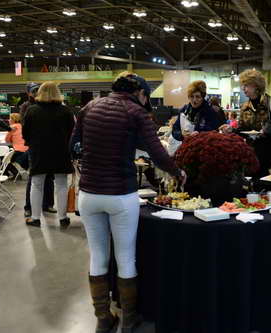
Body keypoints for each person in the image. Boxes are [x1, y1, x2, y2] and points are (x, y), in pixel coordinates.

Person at [71, 72, 186, 333]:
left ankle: (103, 318)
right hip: (120, 194)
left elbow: (73, 145)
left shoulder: (89, 107)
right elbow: (158, 153)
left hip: (88, 194)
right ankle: (129, 320)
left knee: (98, 256)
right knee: (125, 257)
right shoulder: (137, 112)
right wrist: (178, 172)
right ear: (141, 93)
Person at [22, 81, 75, 228]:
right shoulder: (66, 111)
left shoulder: (32, 110)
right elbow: (72, 132)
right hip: (61, 152)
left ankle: (35, 218)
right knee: (61, 185)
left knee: (36, 184)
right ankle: (63, 218)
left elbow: (25, 133)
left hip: (39, 152)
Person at [20, 82, 56, 218]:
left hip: (49, 147)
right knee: (33, 178)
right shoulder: (26, 106)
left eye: (38, 90)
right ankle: (28, 207)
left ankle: (48, 205)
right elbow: (25, 127)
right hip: (35, 147)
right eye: (33, 90)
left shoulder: (49, 104)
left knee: (49, 178)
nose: (36, 93)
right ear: (28, 92)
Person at [219, 69, 271, 134]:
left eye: (246, 85)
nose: (243, 88)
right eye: (242, 85)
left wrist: (268, 130)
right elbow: (241, 130)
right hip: (249, 144)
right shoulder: (244, 107)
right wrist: (231, 129)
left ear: (256, 85)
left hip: (270, 144)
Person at [168, 80, 219, 155]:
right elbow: (175, 129)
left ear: (203, 97)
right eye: (192, 97)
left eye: (197, 97)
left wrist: (199, 134)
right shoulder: (184, 110)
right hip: (185, 149)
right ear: (188, 97)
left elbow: (214, 131)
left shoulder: (210, 112)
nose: (194, 100)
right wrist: (181, 135)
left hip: (203, 151)